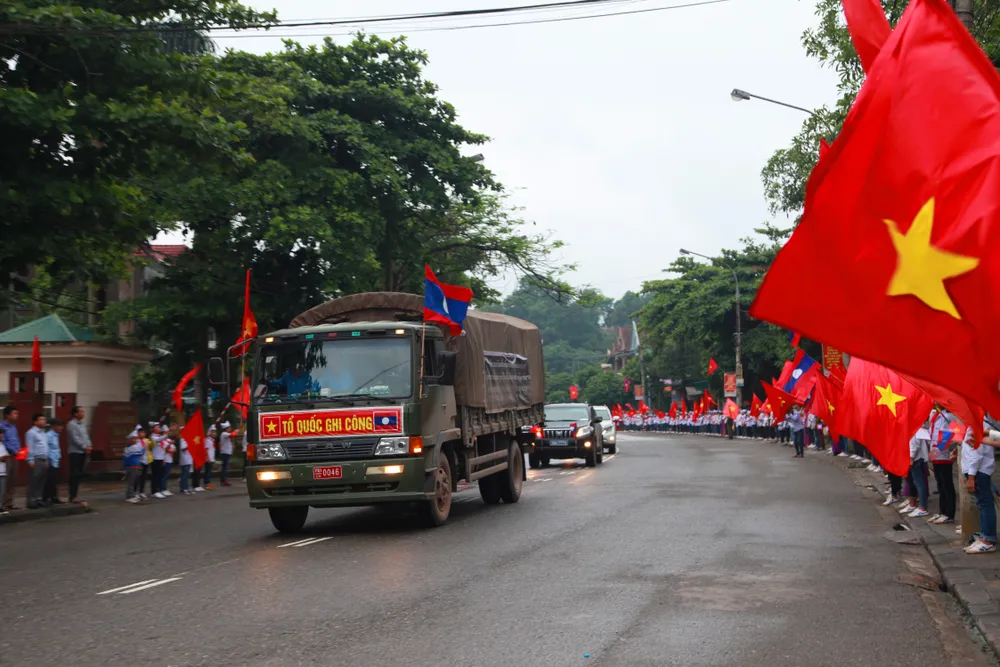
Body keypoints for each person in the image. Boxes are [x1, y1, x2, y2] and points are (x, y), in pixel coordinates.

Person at [963, 421, 996, 554]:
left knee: (985, 503)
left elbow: (977, 452)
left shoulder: (978, 423)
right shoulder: (973, 424)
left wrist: (971, 477)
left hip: (979, 471)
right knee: (982, 504)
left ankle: (988, 539)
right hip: (976, 471)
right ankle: (984, 537)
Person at [66, 406, 91, 503]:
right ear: (75, 414)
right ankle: (72, 496)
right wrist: (85, 446)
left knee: (79, 474)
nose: (83, 413)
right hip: (75, 452)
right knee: (74, 474)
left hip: (83, 452)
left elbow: (86, 436)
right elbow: (75, 438)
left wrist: (89, 445)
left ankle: (75, 495)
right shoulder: (72, 424)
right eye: (81, 412)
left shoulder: (82, 424)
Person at [25, 413, 49, 509]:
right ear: (35, 422)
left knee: (41, 481)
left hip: (44, 459)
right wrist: (30, 460)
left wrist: (47, 460)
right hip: (36, 459)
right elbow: (29, 447)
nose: (44, 421)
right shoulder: (31, 433)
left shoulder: (43, 433)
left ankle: (39, 499)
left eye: (44, 419)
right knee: (34, 481)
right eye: (41, 419)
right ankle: (31, 501)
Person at [907, 424, 931, 518]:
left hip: (917, 459)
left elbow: (914, 445)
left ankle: (922, 507)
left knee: (919, 483)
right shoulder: (918, 427)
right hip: (918, 458)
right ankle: (921, 505)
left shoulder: (915, 427)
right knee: (918, 482)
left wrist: (911, 458)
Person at [0, 405, 21, 510]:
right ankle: (2, 503)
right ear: (7, 415)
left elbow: (15, 440)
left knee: (13, 479)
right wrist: (13, 450)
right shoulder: (1, 426)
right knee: (5, 479)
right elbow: (3, 442)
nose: (17, 415)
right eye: (14, 413)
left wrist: (19, 451)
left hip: (15, 455)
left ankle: (9, 502)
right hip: (6, 455)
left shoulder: (14, 426)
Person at [44, 418, 64, 505]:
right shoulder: (48, 435)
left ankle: (54, 497)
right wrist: (48, 459)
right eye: (59, 426)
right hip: (51, 460)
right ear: (53, 426)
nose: (61, 428)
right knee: (49, 480)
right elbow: (47, 448)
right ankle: (46, 497)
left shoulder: (56, 435)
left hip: (56, 460)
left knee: (55, 480)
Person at [123, 432, 144, 503]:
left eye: (136, 439)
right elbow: (141, 452)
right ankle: (129, 496)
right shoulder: (131, 447)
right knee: (131, 483)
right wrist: (142, 447)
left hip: (134, 466)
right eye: (134, 439)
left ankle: (132, 495)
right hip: (132, 467)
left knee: (134, 482)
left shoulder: (128, 447)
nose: (135, 440)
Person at [218, 422, 235, 487]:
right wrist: (236, 431)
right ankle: (223, 481)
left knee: (225, 467)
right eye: (229, 428)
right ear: (226, 428)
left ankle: (224, 480)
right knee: (224, 468)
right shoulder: (224, 433)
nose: (230, 429)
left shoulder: (226, 434)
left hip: (227, 453)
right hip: (225, 453)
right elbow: (232, 435)